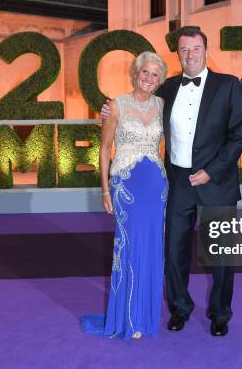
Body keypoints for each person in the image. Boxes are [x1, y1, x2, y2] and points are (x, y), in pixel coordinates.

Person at [103, 27, 242, 337]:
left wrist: (212, 170)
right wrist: (108, 108)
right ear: (178, 54)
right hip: (177, 180)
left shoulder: (229, 85)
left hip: (217, 180)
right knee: (174, 250)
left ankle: (220, 313)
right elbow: (137, 103)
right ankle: (180, 308)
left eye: (196, 48)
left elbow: (238, 135)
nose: (190, 54)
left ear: (206, 50)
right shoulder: (166, 88)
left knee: (221, 254)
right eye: (184, 49)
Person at [81, 51, 168, 339]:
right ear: (136, 73)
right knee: (129, 247)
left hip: (155, 185)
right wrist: (105, 188)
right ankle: (128, 317)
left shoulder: (163, 105)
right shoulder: (116, 105)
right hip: (126, 184)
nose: (148, 78)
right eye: (145, 72)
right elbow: (105, 149)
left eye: (155, 74)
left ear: (160, 80)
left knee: (151, 247)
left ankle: (145, 316)